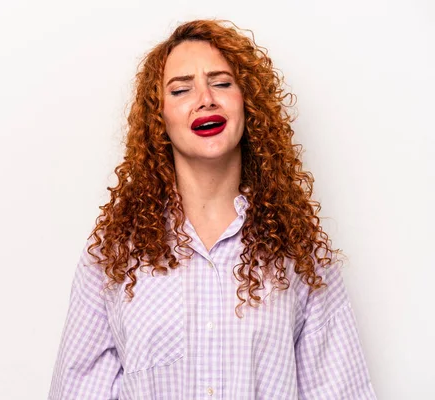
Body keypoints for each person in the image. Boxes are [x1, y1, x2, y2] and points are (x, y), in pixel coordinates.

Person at [48, 19, 376, 399]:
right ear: (159, 119)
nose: (205, 98)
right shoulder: (115, 252)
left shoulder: (298, 251)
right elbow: (77, 391)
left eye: (222, 83)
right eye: (181, 89)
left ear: (247, 104)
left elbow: (339, 391)